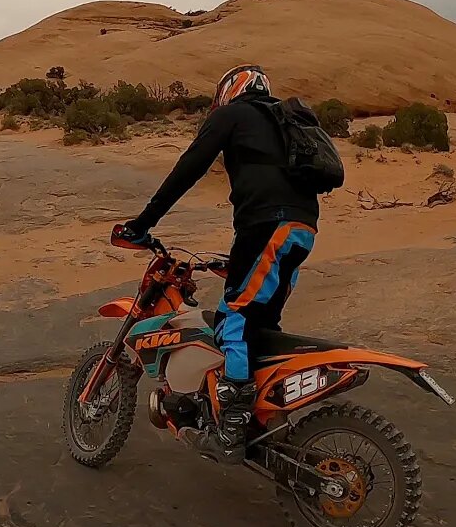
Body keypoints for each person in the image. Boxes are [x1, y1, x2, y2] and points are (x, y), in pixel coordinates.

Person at [117, 64, 320, 463]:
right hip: (302, 230)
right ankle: (262, 418)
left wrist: (143, 224)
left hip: (267, 226)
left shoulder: (232, 115)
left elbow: (187, 170)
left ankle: (232, 430)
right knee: (261, 323)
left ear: (231, 89)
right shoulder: (281, 121)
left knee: (235, 321)